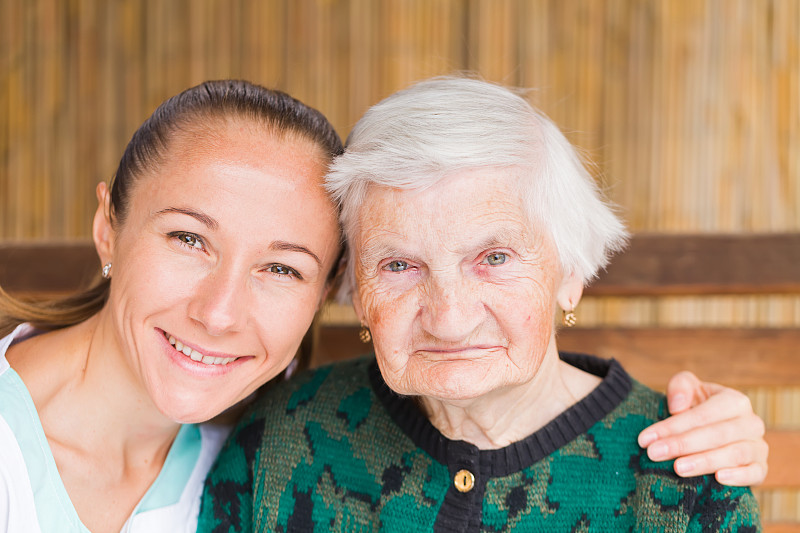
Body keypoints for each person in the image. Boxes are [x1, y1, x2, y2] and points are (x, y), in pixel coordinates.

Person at [199, 77, 762, 531]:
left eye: (493, 258)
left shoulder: (685, 473)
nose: (449, 318)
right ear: (356, 293)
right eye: (398, 266)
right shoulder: (284, 436)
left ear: (570, 273)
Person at [0, 80, 343, 532]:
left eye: (281, 269)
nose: (218, 315)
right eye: (189, 239)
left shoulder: (274, 470)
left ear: (322, 295)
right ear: (108, 229)